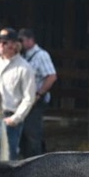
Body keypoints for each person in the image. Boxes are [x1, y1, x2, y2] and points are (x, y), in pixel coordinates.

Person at [0, 28, 35, 160]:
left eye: (4, 42)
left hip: (9, 117)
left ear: (14, 45)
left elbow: (29, 98)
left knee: (8, 159)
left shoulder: (24, 68)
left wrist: (15, 118)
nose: (0, 45)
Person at [18, 28, 58, 158]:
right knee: (24, 133)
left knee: (32, 132)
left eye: (22, 40)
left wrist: (39, 94)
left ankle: (36, 160)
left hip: (36, 100)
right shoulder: (23, 55)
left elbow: (51, 76)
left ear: (30, 40)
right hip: (24, 99)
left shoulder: (41, 55)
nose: (19, 43)